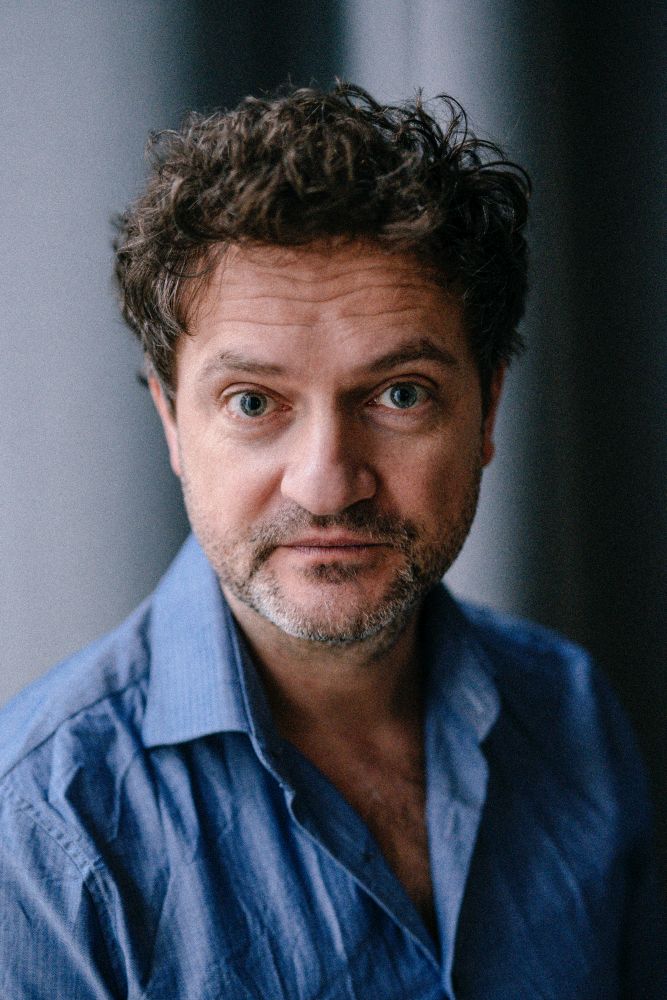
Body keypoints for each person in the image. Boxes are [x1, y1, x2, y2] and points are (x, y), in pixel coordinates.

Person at [0, 83, 663, 999]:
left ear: (487, 410)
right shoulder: (38, 826)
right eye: (252, 402)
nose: (326, 482)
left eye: (400, 394)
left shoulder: (570, 713)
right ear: (170, 423)